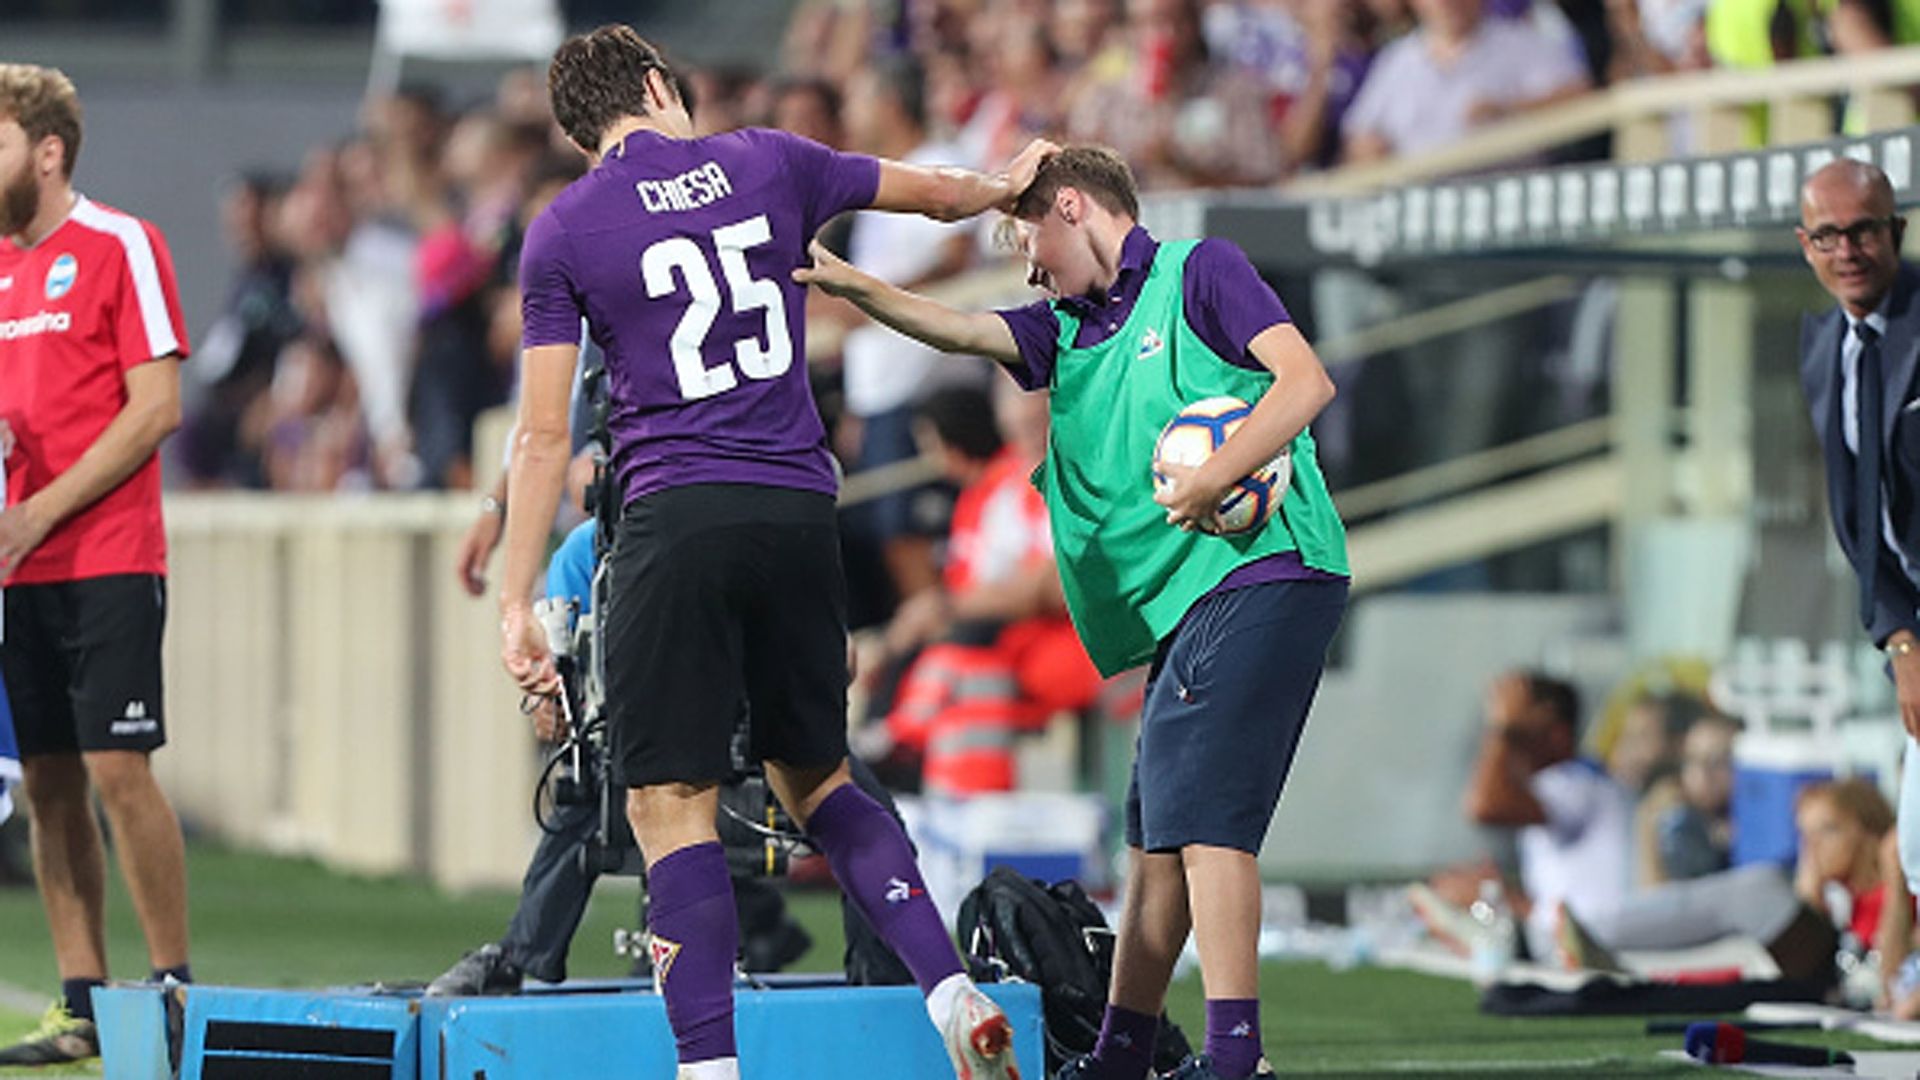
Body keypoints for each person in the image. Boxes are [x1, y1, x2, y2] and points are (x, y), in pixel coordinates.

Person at [496, 25, 1052, 1080]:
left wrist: (517, 596)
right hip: (799, 507)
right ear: (662, 86)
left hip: (675, 519)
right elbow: (930, 192)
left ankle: (711, 1069)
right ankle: (949, 990)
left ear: (580, 137)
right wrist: (999, 186)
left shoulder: (564, 229)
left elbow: (540, 436)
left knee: (669, 805)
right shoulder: (768, 158)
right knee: (824, 779)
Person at [796, 144, 1351, 1080]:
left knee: (1208, 826)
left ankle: (1234, 1058)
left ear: (1070, 207)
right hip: (1191, 594)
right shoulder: (1069, 328)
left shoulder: (1201, 272)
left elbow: (1304, 383)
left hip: (1267, 567)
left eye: (1023, 237)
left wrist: (1218, 470)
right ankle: (1122, 1053)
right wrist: (856, 288)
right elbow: (959, 331)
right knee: (1155, 839)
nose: (1025, 264)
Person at [0, 64, 194, 1066]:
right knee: (48, 784)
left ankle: (170, 993)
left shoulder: (121, 245)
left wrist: (38, 508)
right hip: (17, 571)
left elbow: (155, 407)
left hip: (108, 554)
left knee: (121, 768)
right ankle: (80, 1003)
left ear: (47, 149)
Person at [1793, 158, 1920, 896]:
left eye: (1864, 231)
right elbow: (1857, 517)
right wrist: (1903, 637)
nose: (1848, 251)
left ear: (1895, 231)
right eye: (1829, 235)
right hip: (1910, 623)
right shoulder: (1821, 346)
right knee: (1915, 849)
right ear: (1805, 244)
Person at [1429, 672, 1633, 963]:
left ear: (1556, 734)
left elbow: (1482, 806)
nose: (1508, 750)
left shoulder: (1575, 782)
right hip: (1570, 942)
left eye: (1519, 734)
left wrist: (1502, 728)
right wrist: (1498, 892)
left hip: (1599, 944)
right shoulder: (1559, 786)